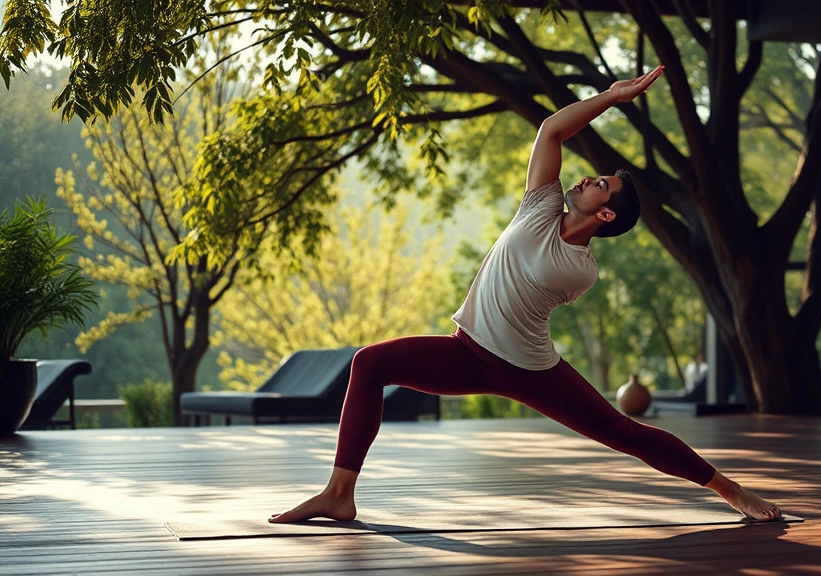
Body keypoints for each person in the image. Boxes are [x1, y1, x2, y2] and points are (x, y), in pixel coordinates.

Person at [270, 65, 783, 524]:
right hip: (467, 352)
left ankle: (730, 490)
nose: (586, 178)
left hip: (528, 368)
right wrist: (611, 96)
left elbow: (543, 236)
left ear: (605, 214)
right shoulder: (539, 206)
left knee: (620, 431)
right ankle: (339, 494)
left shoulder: (579, 269)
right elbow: (551, 129)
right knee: (369, 363)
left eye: (600, 185)